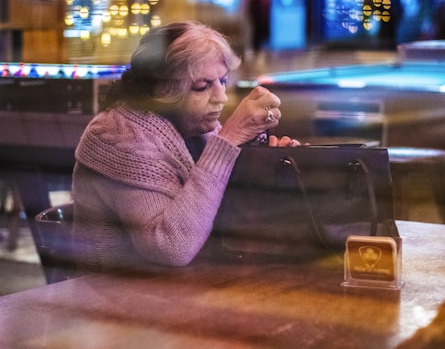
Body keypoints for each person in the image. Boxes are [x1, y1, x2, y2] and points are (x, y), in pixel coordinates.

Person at [70, 21, 298, 272]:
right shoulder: (119, 135)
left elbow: (216, 209)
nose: (221, 96)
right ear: (163, 92)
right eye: (202, 86)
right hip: (113, 298)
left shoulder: (193, 126)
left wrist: (263, 164)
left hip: (185, 286)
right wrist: (228, 141)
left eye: (222, 81)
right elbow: (170, 248)